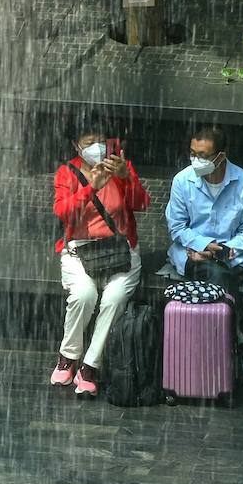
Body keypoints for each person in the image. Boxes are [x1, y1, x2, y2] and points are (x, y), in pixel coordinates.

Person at [51, 126, 151, 397]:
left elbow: (142, 203)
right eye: (89, 142)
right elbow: (64, 214)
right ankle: (68, 356)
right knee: (84, 294)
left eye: (101, 142)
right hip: (79, 252)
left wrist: (126, 177)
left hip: (120, 251)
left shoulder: (120, 166)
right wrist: (90, 188)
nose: (97, 147)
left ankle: (91, 365)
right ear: (76, 146)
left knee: (114, 298)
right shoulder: (67, 173)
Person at [165, 125, 243, 378]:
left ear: (222, 156)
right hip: (192, 254)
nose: (196, 160)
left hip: (232, 257)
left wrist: (221, 250)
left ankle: (218, 352)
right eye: (192, 153)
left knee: (217, 273)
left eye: (203, 155)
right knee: (215, 274)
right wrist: (202, 245)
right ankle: (240, 344)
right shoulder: (183, 180)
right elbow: (177, 226)